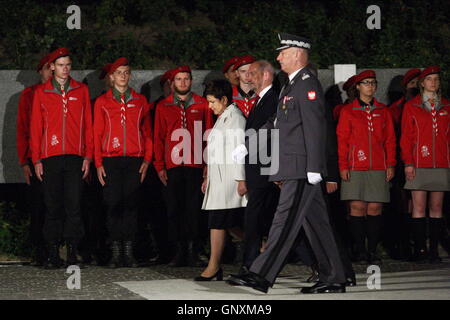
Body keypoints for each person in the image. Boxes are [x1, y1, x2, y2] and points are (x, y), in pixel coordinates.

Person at [227, 33, 346, 294]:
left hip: (302, 168)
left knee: (283, 221)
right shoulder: (291, 85)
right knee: (317, 225)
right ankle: (335, 276)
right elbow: (276, 123)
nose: (278, 57)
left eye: (283, 52)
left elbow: (316, 128)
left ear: (297, 54)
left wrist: (315, 166)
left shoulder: (307, 84)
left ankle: (260, 274)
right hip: (295, 165)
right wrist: (248, 145)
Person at [30, 48, 93, 268]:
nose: (64, 69)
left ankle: (73, 252)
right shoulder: (42, 92)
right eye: (60, 65)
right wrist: (36, 159)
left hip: (75, 157)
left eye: (68, 64)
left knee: (74, 205)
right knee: (53, 206)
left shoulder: (81, 90)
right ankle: (53, 252)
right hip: (51, 157)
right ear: (52, 67)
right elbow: (36, 127)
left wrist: (88, 156)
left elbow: (88, 125)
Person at [93, 57, 152, 268]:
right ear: (111, 77)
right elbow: (97, 133)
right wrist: (98, 163)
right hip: (111, 159)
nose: (123, 76)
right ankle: (115, 251)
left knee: (131, 206)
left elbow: (147, 133)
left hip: (134, 160)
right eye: (119, 73)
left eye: (126, 72)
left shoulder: (139, 100)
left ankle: (129, 250)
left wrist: (147, 159)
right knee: (112, 205)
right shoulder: (103, 101)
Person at [153, 65, 214, 267]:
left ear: (191, 81)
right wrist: (160, 165)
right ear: (172, 83)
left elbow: (209, 134)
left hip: (195, 164)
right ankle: (178, 250)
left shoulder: (202, 104)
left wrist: (208, 163)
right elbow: (158, 137)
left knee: (194, 209)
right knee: (174, 208)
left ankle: (193, 250)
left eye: (186, 79)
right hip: (173, 164)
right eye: (179, 79)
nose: (183, 83)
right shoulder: (163, 106)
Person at [337, 70, 396, 265]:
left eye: (373, 83)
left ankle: (372, 250)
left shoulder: (383, 110)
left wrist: (390, 164)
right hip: (355, 165)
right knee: (357, 207)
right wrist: (343, 165)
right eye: (366, 83)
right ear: (358, 87)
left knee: (375, 207)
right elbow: (342, 140)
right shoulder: (348, 111)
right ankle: (359, 250)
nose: (370, 86)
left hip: (378, 165)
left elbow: (390, 140)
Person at [194, 79, 248, 281]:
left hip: (229, 181)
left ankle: (214, 265)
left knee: (220, 221)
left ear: (224, 99)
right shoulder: (224, 116)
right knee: (224, 222)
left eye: (212, 102)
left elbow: (240, 151)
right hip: (219, 180)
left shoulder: (236, 119)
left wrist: (241, 179)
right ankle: (263, 249)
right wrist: (208, 175)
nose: (209, 106)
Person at [400, 66, 450, 263]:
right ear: (422, 83)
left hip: (441, 163)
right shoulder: (411, 106)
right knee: (418, 207)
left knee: (436, 207)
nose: (433, 83)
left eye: (436, 79)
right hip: (419, 162)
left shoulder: (446, 105)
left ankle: (434, 250)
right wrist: (408, 163)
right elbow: (406, 137)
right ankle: (420, 248)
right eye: (429, 79)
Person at [239, 60, 279, 274]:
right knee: (263, 218)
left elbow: (271, 133)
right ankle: (254, 264)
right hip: (259, 169)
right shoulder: (262, 100)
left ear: (266, 75)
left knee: (257, 218)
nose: (248, 77)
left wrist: (247, 148)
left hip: (267, 169)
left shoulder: (273, 99)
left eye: (253, 73)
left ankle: (252, 265)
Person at [16, 52, 53, 266]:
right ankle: (40, 250)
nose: (51, 71)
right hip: (35, 156)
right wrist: (24, 161)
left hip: (56, 154)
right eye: (47, 67)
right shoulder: (29, 95)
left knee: (57, 205)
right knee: (39, 204)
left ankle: (56, 248)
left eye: (53, 67)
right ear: (40, 71)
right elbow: (22, 130)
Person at [385, 68, 421, 260]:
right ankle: (403, 245)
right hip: (402, 162)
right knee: (403, 203)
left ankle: (420, 245)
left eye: (418, 83)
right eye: (412, 84)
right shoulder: (395, 109)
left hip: (423, 161)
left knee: (420, 204)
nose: (416, 88)